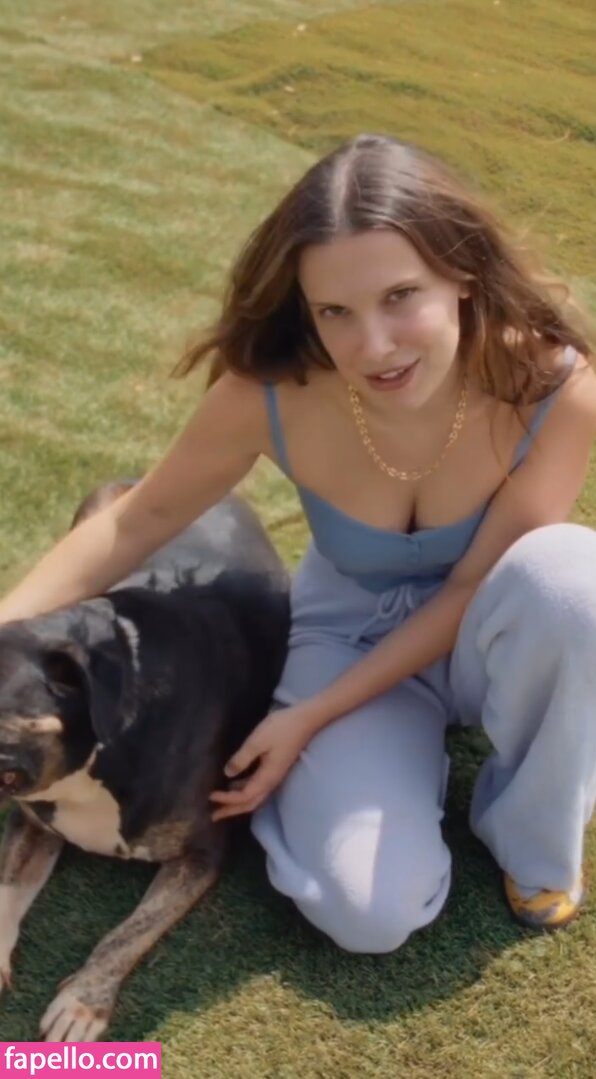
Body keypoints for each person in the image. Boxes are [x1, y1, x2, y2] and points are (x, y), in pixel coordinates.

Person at [2, 133, 596, 952]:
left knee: (572, 580)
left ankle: (530, 831)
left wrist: (308, 717)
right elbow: (135, 520)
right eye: (335, 312)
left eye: (400, 296)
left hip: (489, 631)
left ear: (461, 273)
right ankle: (384, 765)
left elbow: (469, 590)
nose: (374, 346)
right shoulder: (273, 393)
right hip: (349, 642)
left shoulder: (555, 385)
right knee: (367, 914)